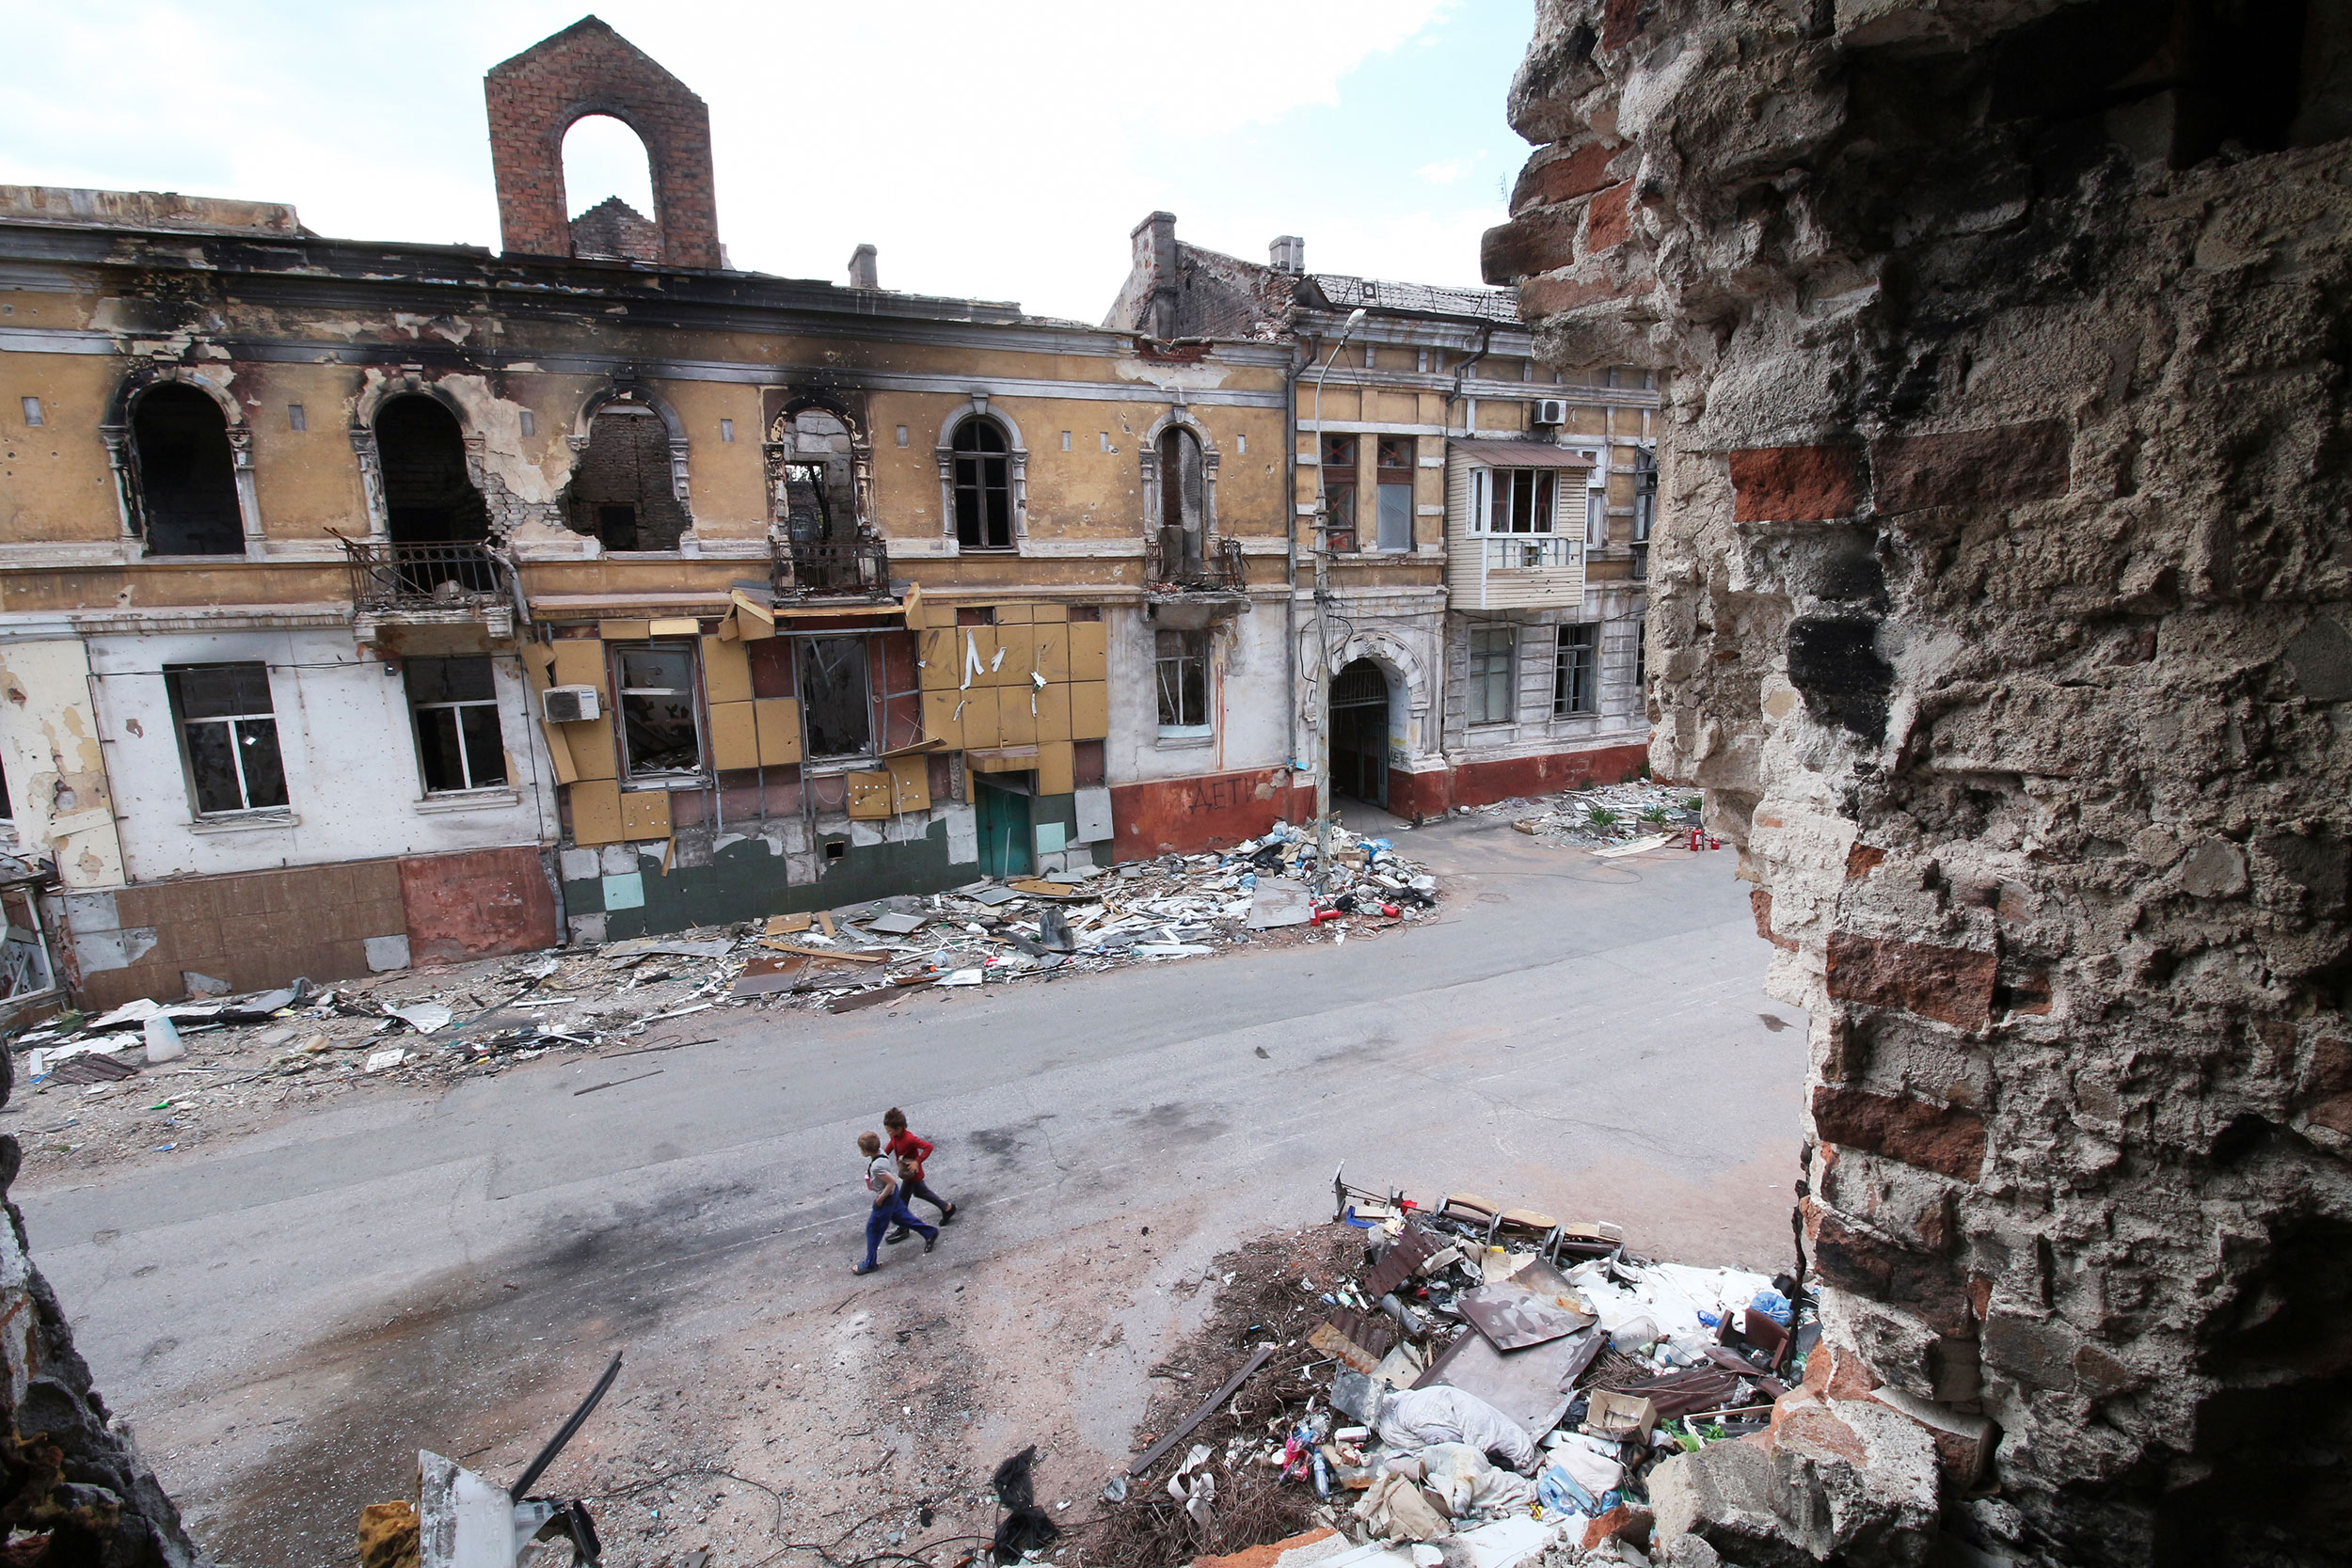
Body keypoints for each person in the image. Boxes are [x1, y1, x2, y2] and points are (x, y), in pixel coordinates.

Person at [854, 1131, 937, 1275]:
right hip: (893, 1196)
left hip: (886, 1198)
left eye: (862, 1149)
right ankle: (929, 1232)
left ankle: (870, 1263)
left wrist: (880, 1199)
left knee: (873, 1229)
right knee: (903, 1218)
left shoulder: (876, 1167)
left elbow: (891, 1183)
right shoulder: (881, 1154)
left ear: (866, 1151)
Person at [882, 1106, 956, 1243]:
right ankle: (947, 1208)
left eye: (890, 1131)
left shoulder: (909, 1139)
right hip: (908, 1174)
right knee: (922, 1193)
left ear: (899, 1128)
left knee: (902, 1201)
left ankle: (904, 1227)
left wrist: (917, 1161)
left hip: (912, 1174)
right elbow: (891, 1146)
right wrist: (880, 1157)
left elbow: (928, 1147)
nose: (889, 1133)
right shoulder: (896, 1137)